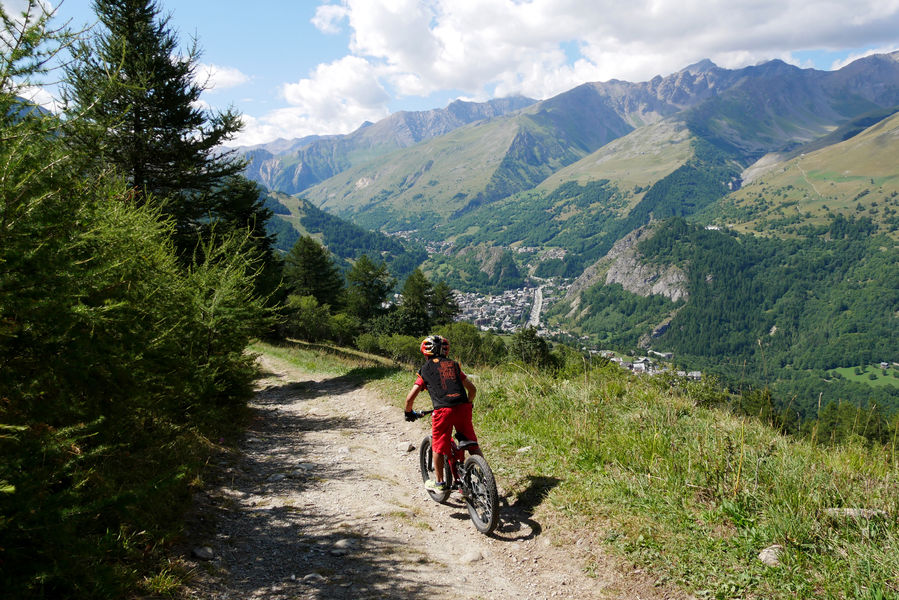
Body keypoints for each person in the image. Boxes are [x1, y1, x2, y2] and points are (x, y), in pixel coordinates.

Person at [404, 334, 479, 492]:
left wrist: (408, 412)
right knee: (472, 443)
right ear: (446, 351)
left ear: (425, 353)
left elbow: (410, 398)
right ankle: (482, 477)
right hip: (463, 408)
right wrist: (469, 403)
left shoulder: (425, 369)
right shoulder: (454, 365)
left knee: (438, 446)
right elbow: (472, 389)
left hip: (443, 411)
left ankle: (439, 483)